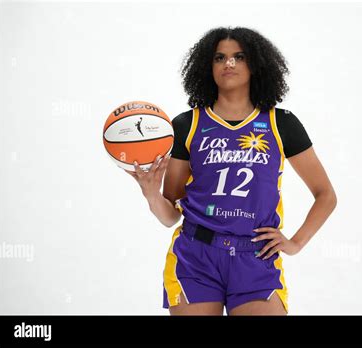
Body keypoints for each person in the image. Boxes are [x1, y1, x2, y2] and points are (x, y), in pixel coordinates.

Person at [126, 27, 337, 315]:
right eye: (219, 57)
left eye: (239, 56)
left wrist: (295, 243)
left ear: (256, 64)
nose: (229, 63)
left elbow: (325, 195)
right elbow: (171, 215)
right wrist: (151, 194)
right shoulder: (187, 125)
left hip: (256, 257)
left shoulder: (281, 123)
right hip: (195, 256)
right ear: (206, 66)